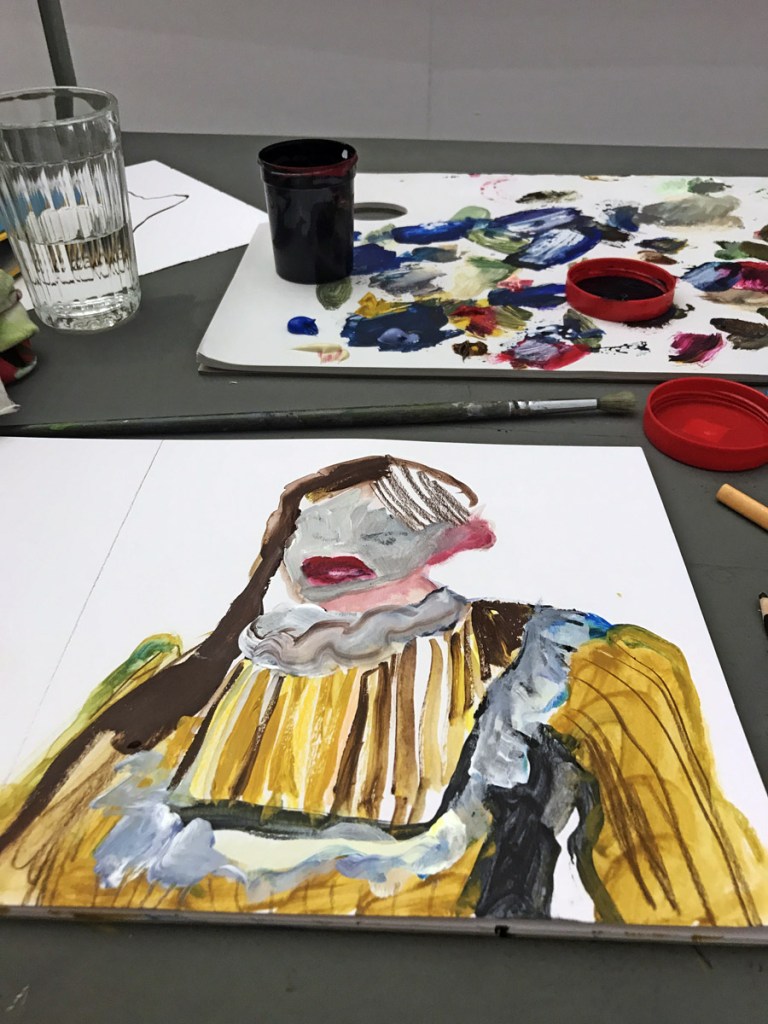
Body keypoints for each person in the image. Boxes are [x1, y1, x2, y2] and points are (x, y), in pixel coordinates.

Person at [0, 454, 765, 926]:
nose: (336, 549)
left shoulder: (578, 665)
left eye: (382, 530)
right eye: (313, 528)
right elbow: (29, 852)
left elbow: (696, 892)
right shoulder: (174, 675)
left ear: (453, 540)